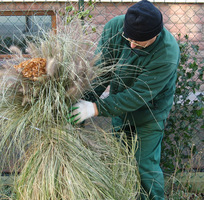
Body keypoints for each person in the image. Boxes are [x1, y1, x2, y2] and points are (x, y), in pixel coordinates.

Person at [69, 0, 180, 199]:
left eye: (139, 43)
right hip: (119, 109)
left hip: (150, 113)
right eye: (128, 38)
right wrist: (82, 103)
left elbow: (137, 95)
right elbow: (101, 72)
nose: (131, 44)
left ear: (155, 34)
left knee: (145, 167)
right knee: (121, 162)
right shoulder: (115, 28)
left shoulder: (167, 53)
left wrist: (94, 108)